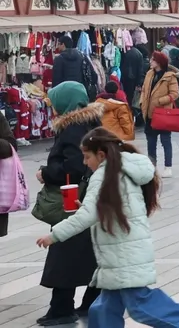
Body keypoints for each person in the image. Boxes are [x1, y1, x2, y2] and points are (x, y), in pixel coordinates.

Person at [35, 127, 179, 326]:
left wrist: (54, 236)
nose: (85, 162)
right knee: (102, 309)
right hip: (122, 252)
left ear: (101, 155)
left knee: (139, 306)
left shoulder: (104, 175)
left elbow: (86, 217)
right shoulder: (121, 168)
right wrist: (89, 207)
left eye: (87, 157)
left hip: (123, 255)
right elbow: (106, 206)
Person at [35, 82, 104, 324]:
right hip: (87, 197)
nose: (53, 108)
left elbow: (75, 166)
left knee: (64, 251)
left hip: (73, 200)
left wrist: (48, 172)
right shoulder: (90, 122)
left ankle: (62, 308)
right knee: (89, 251)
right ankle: (92, 302)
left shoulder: (73, 127)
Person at [140, 52, 179, 178]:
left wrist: (161, 101)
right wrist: (142, 102)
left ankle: (168, 167)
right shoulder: (149, 74)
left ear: (159, 62)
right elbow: (145, 90)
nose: (150, 61)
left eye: (153, 60)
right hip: (149, 113)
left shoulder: (170, 77)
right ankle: (152, 167)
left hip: (163, 113)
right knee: (150, 143)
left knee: (165, 141)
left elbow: (175, 94)